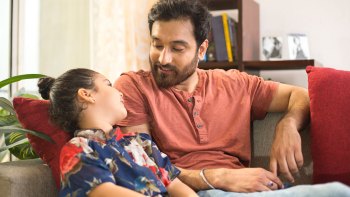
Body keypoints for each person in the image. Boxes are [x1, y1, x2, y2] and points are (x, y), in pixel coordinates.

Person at [114, 0, 350, 196]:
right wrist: (219, 177)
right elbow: (141, 165)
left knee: (338, 192)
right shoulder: (135, 86)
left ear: (202, 49)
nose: (163, 59)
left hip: (248, 189)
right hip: (192, 191)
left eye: (177, 49)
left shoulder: (235, 83)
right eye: (157, 45)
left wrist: (287, 124)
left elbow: (299, 96)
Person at [37, 68, 198, 197]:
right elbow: (102, 191)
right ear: (86, 95)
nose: (119, 92)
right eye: (108, 84)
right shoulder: (79, 148)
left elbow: (174, 184)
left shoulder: (141, 143)